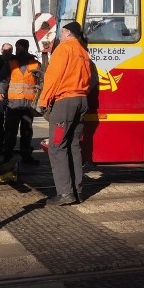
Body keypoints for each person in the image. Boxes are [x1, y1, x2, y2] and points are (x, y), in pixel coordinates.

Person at [38, 21, 93, 205]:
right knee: (73, 146)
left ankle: (64, 193)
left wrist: (44, 100)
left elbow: (53, 77)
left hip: (65, 104)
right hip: (82, 101)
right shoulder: (84, 53)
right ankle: (76, 191)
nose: (59, 36)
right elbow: (91, 80)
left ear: (68, 33)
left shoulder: (64, 49)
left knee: (56, 146)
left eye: (61, 32)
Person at [0, 39, 42, 164]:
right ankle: (7, 155)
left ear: (26, 48)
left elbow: (41, 82)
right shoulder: (11, 63)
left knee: (26, 131)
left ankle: (26, 155)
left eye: (20, 47)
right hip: (14, 103)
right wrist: (0, 91)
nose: (18, 50)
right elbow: (2, 80)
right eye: (17, 47)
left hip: (28, 103)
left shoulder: (35, 64)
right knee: (10, 130)